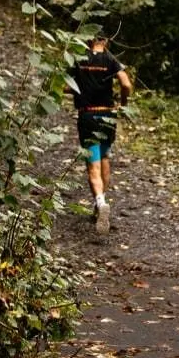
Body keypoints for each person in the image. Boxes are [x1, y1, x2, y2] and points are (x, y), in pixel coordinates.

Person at [69, 35, 132, 233]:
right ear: (105, 42)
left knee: (92, 165)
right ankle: (100, 204)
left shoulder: (79, 58)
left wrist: (81, 89)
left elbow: (66, 85)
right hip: (107, 115)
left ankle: (100, 201)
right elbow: (126, 84)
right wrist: (123, 104)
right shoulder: (110, 59)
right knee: (104, 157)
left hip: (88, 116)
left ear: (89, 41)